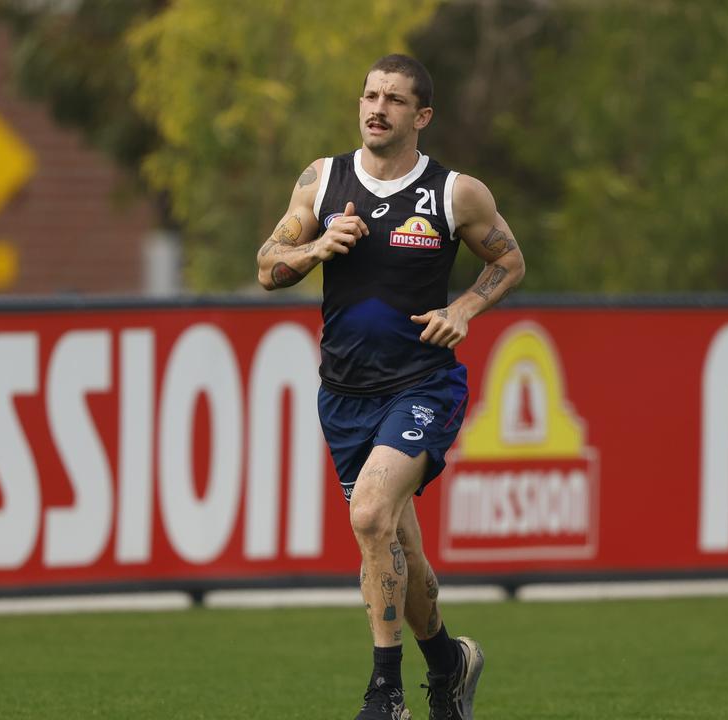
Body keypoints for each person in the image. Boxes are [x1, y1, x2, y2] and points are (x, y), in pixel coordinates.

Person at [256, 53, 525, 720]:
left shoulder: (454, 192)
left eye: (395, 100)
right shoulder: (322, 181)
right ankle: (449, 663)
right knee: (400, 553)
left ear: (421, 116)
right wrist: (314, 250)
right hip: (344, 396)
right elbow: (268, 266)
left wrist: (462, 310)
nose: (377, 107)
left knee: (370, 514)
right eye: (370, 95)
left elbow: (510, 258)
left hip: (423, 386)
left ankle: (386, 694)